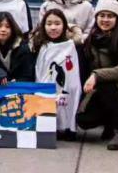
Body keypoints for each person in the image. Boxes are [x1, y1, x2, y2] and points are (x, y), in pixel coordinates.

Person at [77, 0, 118, 151]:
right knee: (84, 120)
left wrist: (97, 75)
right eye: (102, 15)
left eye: (110, 16)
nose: (105, 20)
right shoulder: (91, 38)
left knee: (107, 86)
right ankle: (110, 123)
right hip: (98, 88)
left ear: (117, 18)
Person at [32, 8, 79, 139]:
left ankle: (68, 127)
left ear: (64, 25)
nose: (53, 28)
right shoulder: (40, 46)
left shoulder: (71, 45)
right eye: (49, 24)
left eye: (57, 24)